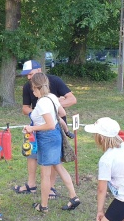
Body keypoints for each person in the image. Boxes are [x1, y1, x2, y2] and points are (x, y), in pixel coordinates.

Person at [13, 59, 77, 199]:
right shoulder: (27, 87)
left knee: (53, 159)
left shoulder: (55, 81)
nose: (29, 78)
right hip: (36, 126)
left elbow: (72, 100)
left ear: (39, 70)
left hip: (54, 127)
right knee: (32, 153)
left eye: (30, 74)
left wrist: (52, 108)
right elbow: (25, 108)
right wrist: (36, 114)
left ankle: (51, 188)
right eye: (27, 75)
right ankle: (31, 185)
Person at [23, 73, 80, 213]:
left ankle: (43, 206)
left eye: (33, 89)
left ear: (36, 87)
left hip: (46, 138)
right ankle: (74, 197)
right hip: (55, 137)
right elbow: (61, 113)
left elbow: (48, 125)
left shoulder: (42, 103)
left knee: (45, 175)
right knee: (59, 167)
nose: (32, 91)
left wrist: (32, 128)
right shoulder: (53, 97)